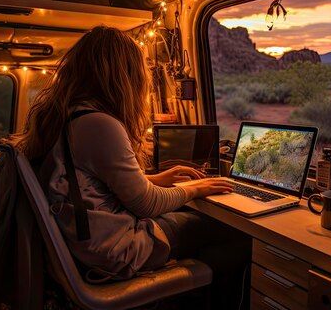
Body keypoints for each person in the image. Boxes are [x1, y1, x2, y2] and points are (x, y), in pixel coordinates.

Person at [15, 26, 250, 308]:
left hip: (87, 239)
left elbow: (95, 183)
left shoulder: (66, 115)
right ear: (123, 75)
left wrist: (157, 178)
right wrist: (195, 189)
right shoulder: (99, 124)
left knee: (204, 228)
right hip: (113, 249)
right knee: (236, 236)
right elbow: (146, 206)